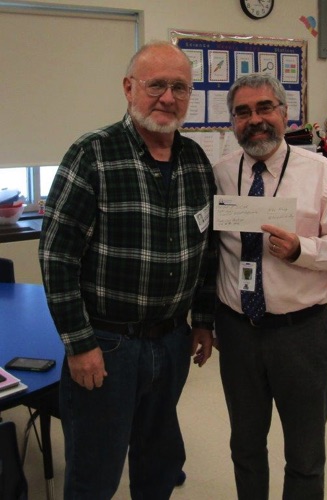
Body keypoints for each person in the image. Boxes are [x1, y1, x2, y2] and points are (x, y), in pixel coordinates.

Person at [39, 41, 217, 499]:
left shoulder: (197, 161)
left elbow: (207, 252)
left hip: (173, 342)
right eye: (156, 84)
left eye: (179, 87)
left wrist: (204, 321)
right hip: (107, 346)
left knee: (159, 462)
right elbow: (57, 257)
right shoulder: (92, 154)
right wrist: (79, 345)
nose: (167, 97)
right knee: (95, 471)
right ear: (128, 88)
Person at [213, 74, 327, 500]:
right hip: (238, 332)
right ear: (232, 122)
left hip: (302, 335)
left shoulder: (319, 173)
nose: (255, 120)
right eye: (242, 112)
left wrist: (304, 248)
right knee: (245, 447)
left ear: (284, 114)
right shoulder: (222, 174)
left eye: (265, 108)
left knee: (304, 457)